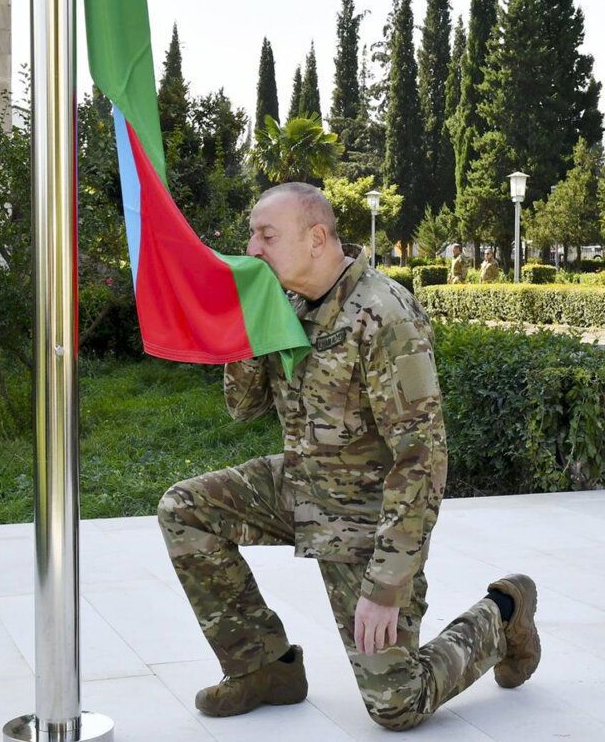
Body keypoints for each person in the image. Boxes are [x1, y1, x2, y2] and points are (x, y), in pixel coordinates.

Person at [157, 183, 540, 731]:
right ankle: (264, 667)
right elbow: (244, 408)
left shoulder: (384, 315)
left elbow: (422, 458)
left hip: (365, 517)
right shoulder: (281, 303)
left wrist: (386, 587)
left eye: (266, 235)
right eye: (251, 234)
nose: (252, 247)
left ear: (317, 238)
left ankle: (504, 615)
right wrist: (242, 325)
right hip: (299, 484)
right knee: (184, 508)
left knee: (396, 704)